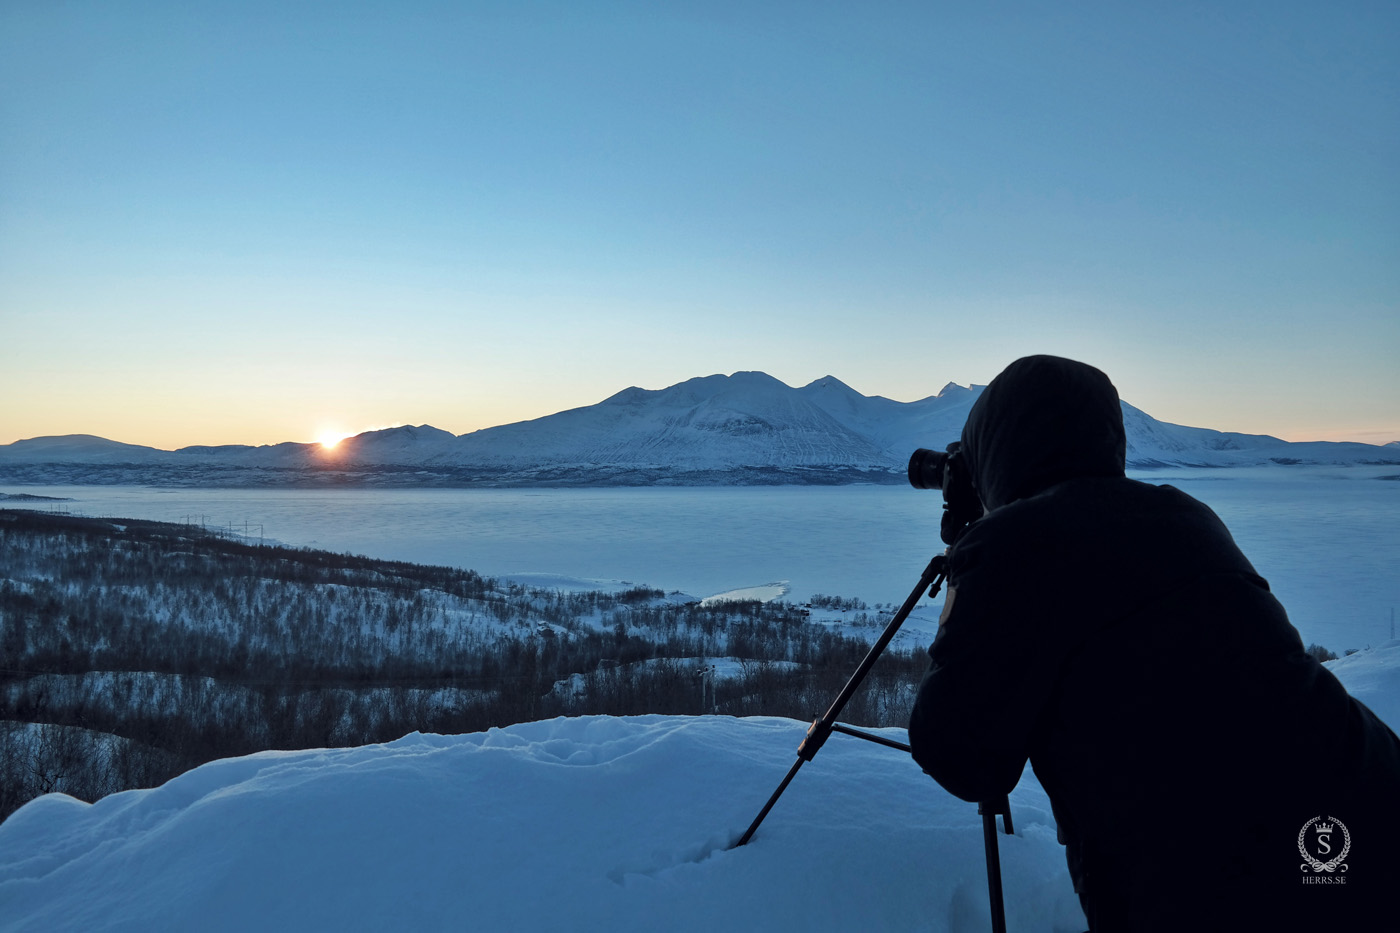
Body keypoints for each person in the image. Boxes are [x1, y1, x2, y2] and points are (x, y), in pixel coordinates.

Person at [907, 355, 1400, 932]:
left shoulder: (1011, 547)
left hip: (1213, 879)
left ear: (995, 449)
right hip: (1367, 797)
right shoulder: (1186, 515)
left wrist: (972, 551)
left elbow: (960, 757)